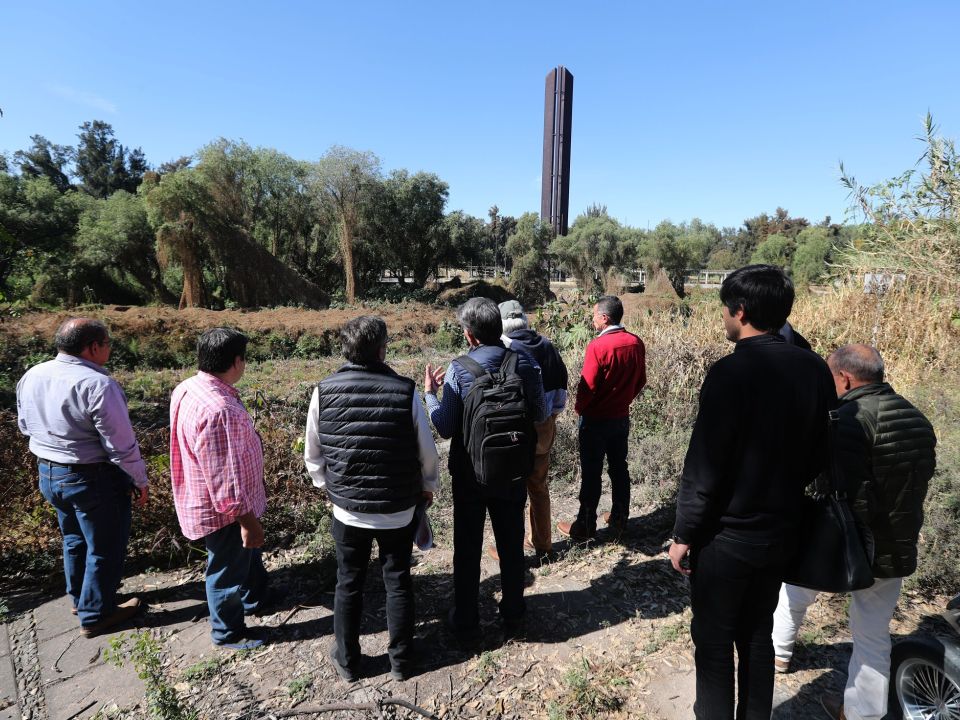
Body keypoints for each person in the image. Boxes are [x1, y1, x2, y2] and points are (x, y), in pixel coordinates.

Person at [667, 264, 836, 719]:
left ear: (739, 311)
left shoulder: (730, 372)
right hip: (783, 529)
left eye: (726, 309)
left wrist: (684, 534)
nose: (724, 317)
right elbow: (825, 451)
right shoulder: (815, 368)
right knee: (758, 632)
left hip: (727, 538)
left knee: (715, 642)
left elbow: (705, 465)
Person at [771, 344, 936, 720]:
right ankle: (860, 714)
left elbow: (840, 487)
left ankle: (778, 652)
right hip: (897, 545)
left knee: (794, 589)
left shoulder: (847, 418)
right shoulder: (916, 417)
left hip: (847, 543)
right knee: (873, 637)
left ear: (844, 378)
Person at [304, 316, 439, 682]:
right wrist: (428, 487)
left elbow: (313, 455)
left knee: (348, 583)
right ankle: (401, 662)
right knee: (398, 580)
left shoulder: (323, 390)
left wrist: (328, 488)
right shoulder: (405, 390)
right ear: (382, 350)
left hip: (347, 511)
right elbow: (428, 453)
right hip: (397, 509)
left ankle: (348, 662)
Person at [16, 318, 148, 638]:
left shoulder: (34, 374)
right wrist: (139, 480)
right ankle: (96, 615)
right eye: (107, 343)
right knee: (106, 545)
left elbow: (24, 425)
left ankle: (80, 598)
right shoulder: (98, 385)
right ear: (92, 348)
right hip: (91, 477)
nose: (110, 348)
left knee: (74, 538)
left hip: (49, 472)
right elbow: (120, 444)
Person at [424, 297, 546, 640]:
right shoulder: (524, 362)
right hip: (513, 472)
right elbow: (538, 413)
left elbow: (445, 426)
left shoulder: (459, 369)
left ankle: (465, 618)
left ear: (469, 336)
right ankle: (513, 614)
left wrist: (430, 394)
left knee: (467, 546)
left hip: (470, 474)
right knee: (510, 542)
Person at [170, 327, 279, 650]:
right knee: (225, 570)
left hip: (209, 497)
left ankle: (256, 595)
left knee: (246, 556)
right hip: (226, 512)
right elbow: (224, 479)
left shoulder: (190, 387)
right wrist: (246, 520)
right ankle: (227, 631)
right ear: (236, 361)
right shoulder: (220, 410)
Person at [557, 295, 646, 541]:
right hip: (620, 418)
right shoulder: (635, 342)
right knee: (619, 468)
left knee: (592, 472)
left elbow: (588, 386)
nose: (592, 319)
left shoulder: (598, 346)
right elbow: (641, 380)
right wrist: (624, 400)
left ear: (604, 318)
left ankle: (585, 525)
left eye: (594, 315)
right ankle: (619, 519)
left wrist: (579, 408)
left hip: (595, 420)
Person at [486, 300, 568, 559]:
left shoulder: (505, 350)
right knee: (539, 487)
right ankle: (543, 545)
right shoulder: (548, 346)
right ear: (525, 319)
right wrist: (551, 415)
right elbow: (562, 393)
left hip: (514, 430)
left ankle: (510, 548)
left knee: (512, 490)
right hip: (545, 427)